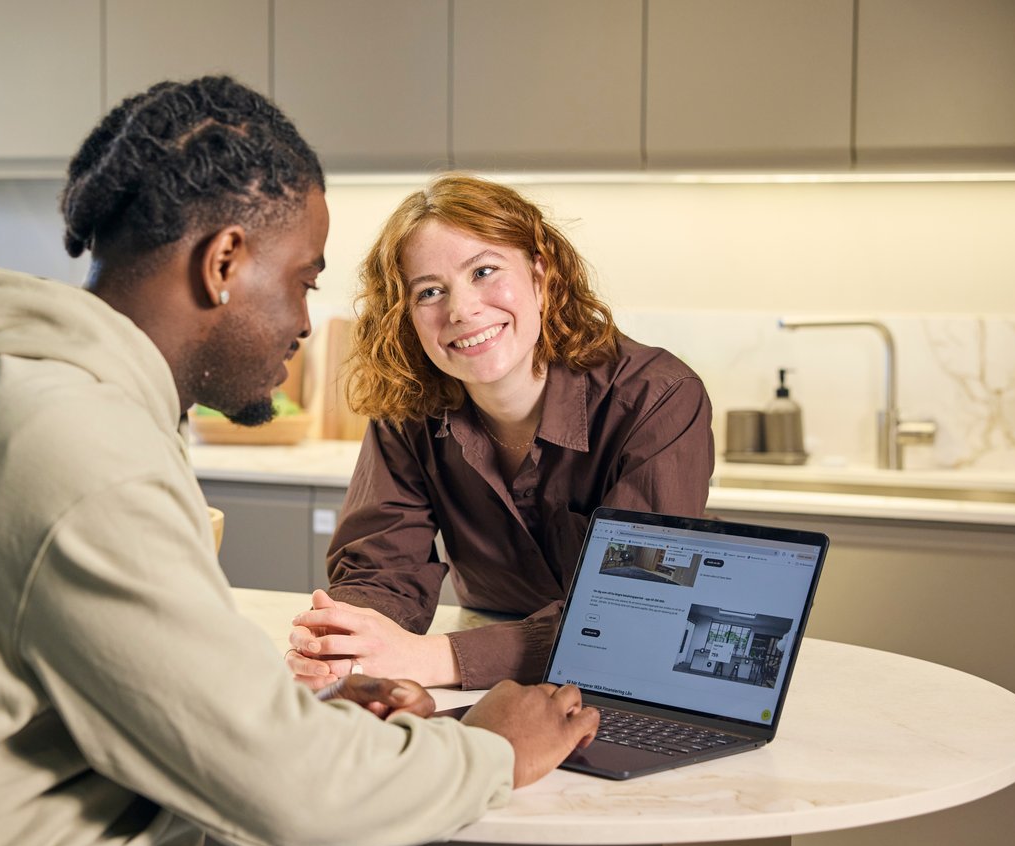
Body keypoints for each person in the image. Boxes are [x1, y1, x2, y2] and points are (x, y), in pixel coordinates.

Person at [0, 78, 600, 846]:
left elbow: (131, 691)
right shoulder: (76, 446)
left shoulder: (33, 397)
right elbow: (285, 795)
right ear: (224, 261)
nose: (307, 322)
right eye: (303, 281)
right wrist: (490, 748)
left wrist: (294, 719)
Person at [287, 174, 713, 692]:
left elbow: (633, 611)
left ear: (541, 273)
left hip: (633, 681)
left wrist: (434, 659)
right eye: (430, 291)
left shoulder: (658, 398)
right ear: (406, 318)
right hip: (486, 675)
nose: (461, 310)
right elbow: (382, 569)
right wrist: (347, 643)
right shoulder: (407, 412)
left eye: (484, 271)